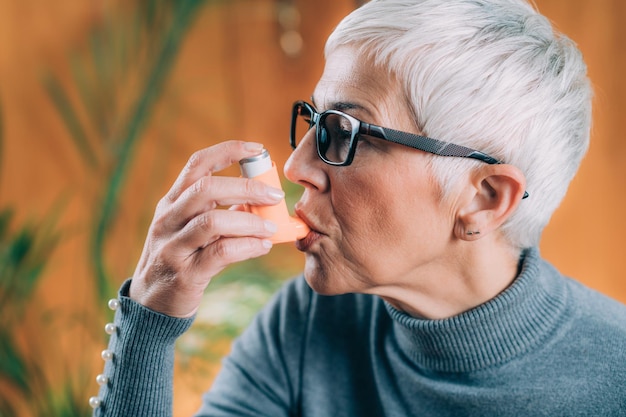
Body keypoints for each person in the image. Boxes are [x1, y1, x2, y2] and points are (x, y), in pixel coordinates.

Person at [91, 0, 626, 415]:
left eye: (345, 132)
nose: (297, 166)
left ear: (484, 199)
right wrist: (150, 321)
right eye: (315, 120)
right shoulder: (306, 324)